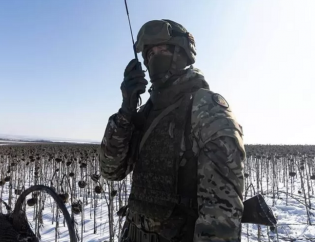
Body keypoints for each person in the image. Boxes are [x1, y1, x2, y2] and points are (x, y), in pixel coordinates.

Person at [99, 19, 245, 242]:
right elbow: (111, 170)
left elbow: (221, 215)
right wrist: (126, 111)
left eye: (162, 49)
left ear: (182, 54)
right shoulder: (147, 112)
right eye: (149, 54)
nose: (153, 58)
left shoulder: (206, 109)